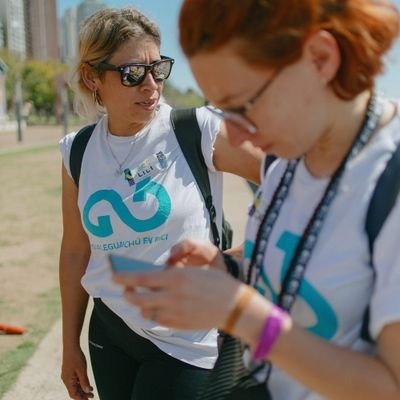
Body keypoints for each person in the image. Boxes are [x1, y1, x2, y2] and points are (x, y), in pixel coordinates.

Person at [113, 1, 400, 399]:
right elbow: (310, 258)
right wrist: (228, 266)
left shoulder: (389, 183)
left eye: (244, 106)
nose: (235, 135)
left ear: (320, 59)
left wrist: (242, 315)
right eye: (221, 110)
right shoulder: (287, 158)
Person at [58, 6, 263, 400]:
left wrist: (241, 258)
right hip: (110, 331)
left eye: (159, 68)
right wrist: (71, 345)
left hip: (186, 340)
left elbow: (293, 179)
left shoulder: (195, 130)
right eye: (133, 73)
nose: (151, 85)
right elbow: (75, 250)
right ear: (92, 76)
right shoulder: (77, 151)